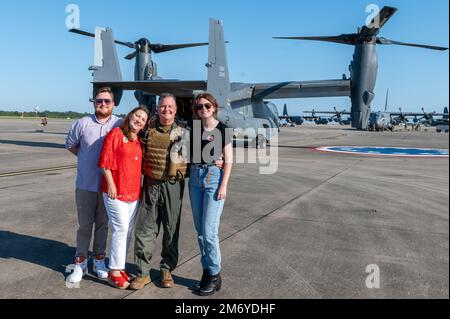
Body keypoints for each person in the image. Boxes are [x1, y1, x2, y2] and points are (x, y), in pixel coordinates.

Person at [130, 93, 190, 290]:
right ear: (158, 109)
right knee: (145, 229)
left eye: (170, 107)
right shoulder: (147, 131)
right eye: (163, 106)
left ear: (175, 109)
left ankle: (166, 269)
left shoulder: (184, 133)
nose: (166, 110)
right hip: (151, 184)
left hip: (173, 186)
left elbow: (199, 156)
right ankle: (142, 272)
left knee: (171, 229)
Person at [65, 87, 122, 284]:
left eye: (107, 101)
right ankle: (80, 262)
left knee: (103, 225)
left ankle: (99, 260)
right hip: (86, 184)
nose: (103, 104)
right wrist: (86, 159)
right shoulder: (82, 124)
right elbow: (72, 145)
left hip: (109, 187)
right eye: (99, 101)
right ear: (94, 103)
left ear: (113, 103)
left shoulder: (120, 124)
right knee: (84, 226)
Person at [98, 107, 148, 289]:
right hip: (115, 192)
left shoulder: (139, 141)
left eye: (143, 119)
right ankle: (113, 271)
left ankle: (120, 267)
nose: (139, 120)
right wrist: (111, 184)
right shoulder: (116, 134)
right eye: (137, 116)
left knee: (128, 232)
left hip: (134, 193)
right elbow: (105, 161)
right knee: (120, 230)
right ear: (130, 116)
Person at [188, 92, 233, 296]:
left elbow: (229, 160)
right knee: (199, 231)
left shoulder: (223, 129)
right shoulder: (195, 128)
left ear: (213, 107)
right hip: (195, 178)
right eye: (199, 107)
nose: (203, 109)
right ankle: (207, 271)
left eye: (206, 106)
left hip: (214, 179)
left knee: (209, 230)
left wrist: (223, 185)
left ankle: (215, 274)